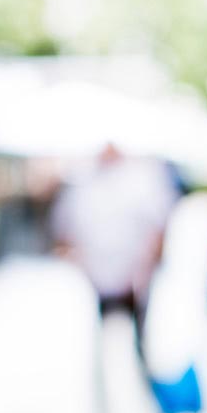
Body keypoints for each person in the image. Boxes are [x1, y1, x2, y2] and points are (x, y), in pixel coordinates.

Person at [51, 142, 181, 343]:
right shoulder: (83, 184)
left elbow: (160, 229)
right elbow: (64, 233)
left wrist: (144, 271)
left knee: (140, 340)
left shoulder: (142, 181)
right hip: (96, 281)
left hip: (134, 283)